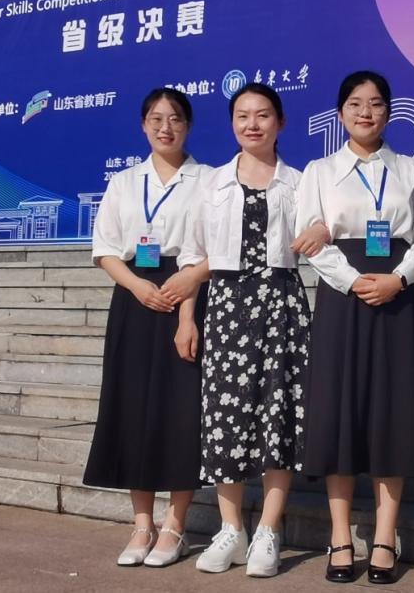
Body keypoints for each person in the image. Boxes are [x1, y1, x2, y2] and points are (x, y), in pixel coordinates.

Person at [296, 70, 414, 585]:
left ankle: (384, 536)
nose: (366, 112)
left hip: (398, 297)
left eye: (376, 103)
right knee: (338, 410)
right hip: (342, 298)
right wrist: (355, 281)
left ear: (388, 112)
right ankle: (339, 536)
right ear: (340, 113)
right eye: (356, 103)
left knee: (392, 411)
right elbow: (308, 238)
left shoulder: (412, 169)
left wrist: (397, 279)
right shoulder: (319, 171)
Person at [177, 82, 323, 578]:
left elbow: (321, 233)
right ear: (232, 123)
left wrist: (320, 230)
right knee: (226, 416)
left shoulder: (300, 183)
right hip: (226, 306)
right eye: (242, 115)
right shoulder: (211, 184)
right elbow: (193, 255)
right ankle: (231, 528)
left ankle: (268, 530)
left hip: (282, 304)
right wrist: (186, 318)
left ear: (280, 122)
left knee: (280, 413)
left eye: (262, 115)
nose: (252, 124)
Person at [83, 88, 211, 568]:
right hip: (135, 297)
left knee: (182, 411)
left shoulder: (208, 180)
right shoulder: (124, 182)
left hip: (187, 292)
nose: (165, 127)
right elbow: (105, 249)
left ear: (188, 125)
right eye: (156, 119)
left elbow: (211, 247)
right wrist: (137, 286)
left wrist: (186, 306)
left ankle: (175, 525)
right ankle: (142, 524)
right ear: (143, 125)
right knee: (132, 408)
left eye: (175, 118)